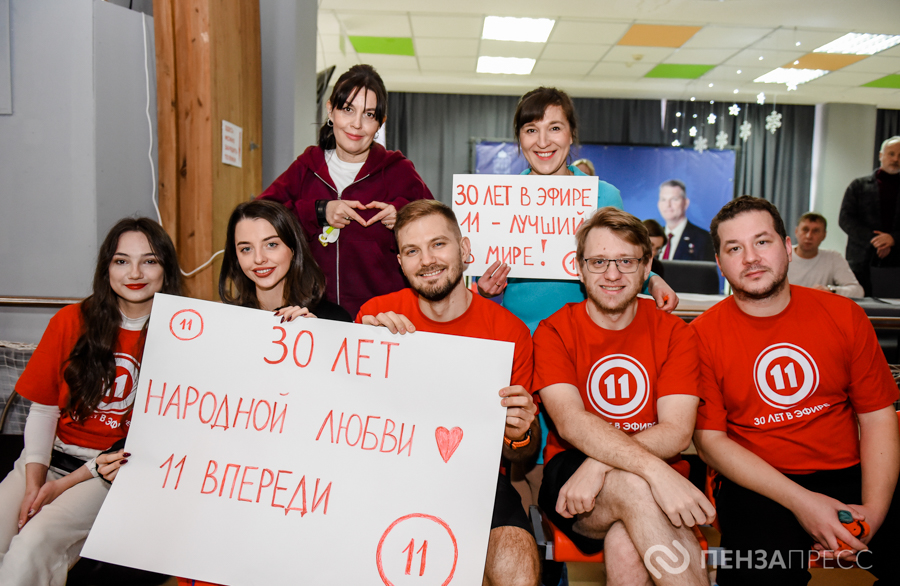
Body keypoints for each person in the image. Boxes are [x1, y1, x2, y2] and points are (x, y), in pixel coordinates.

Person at [692, 196, 899, 586]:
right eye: (734, 249)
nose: (750, 258)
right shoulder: (700, 336)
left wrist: (873, 512)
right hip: (756, 483)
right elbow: (710, 443)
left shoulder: (844, 315)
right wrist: (804, 504)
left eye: (762, 242)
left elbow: (877, 417)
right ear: (720, 263)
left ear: (787, 248)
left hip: (849, 472)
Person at [358, 200, 541, 586]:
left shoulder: (509, 332)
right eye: (412, 251)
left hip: (476, 479)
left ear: (464, 249)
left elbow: (520, 454)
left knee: (518, 562)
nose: (427, 260)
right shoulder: (376, 317)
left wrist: (521, 432)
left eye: (438, 244)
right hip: (388, 477)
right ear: (401, 263)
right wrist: (364, 353)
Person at [534, 207, 714, 586]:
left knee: (626, 544)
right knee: (637, 486)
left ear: (647, 266)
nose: (612, 274)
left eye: (626, 261)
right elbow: (571, 422)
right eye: (598, 261)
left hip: (639, 472)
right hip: (574, 478)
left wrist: (599, 465)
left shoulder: (675, 334)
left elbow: (677, 432)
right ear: (579, 268)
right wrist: (652, 470)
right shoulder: (554, 331)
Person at [0, 218, 183, 584]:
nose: (135, 273)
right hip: (51, 456)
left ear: (166, 269)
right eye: (121, 261)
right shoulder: (71, 320)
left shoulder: (184, 334)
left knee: (33, 544)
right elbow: (44, 408)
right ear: (106, 268)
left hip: (115, 471)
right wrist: (35, 482)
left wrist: (60, 487)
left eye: (149, 261)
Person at [477, 87, 678, 333]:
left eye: (554, 128)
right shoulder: (499, 200)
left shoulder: (604, 196)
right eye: (531, 130)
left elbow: (623, 262)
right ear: (520, 138)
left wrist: (653, 281)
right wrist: (486, 288)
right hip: (519, 335)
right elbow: (486, 276)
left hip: (584, 336)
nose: (543, 141)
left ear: (571, 134)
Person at [258, 64, 433, 317]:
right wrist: (319, 211)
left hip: (385, 319)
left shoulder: (399, 171)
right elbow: (260, 219)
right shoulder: (306, 168)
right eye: (348, 109)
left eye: (369, 114)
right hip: (314, 316)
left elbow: (438, 229)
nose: (357, 124)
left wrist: (403, 217)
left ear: (380, 123)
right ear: (331, 110)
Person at [839, 136, 900, 296]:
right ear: (881, 155)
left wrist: (893, 239)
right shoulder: (858, 186)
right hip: (861, 260)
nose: (895, 159)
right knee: (859, 305)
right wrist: (876, 241)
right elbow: (845, 219)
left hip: (897, 260)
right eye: (891, 154)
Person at [788, 212, 863, 298]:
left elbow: (858, 291)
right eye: (805, 230)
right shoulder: (781, 255)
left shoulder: (833, 258)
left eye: (815, 231)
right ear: (796, 231)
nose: (809, 236)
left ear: (824, 235)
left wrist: (830, 291)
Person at [657, 180, 715, 262]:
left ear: (686, 203)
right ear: (658, 204)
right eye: (663, 199)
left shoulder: (703, 239)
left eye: (674, 199)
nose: (668, 205)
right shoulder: (652, 238)